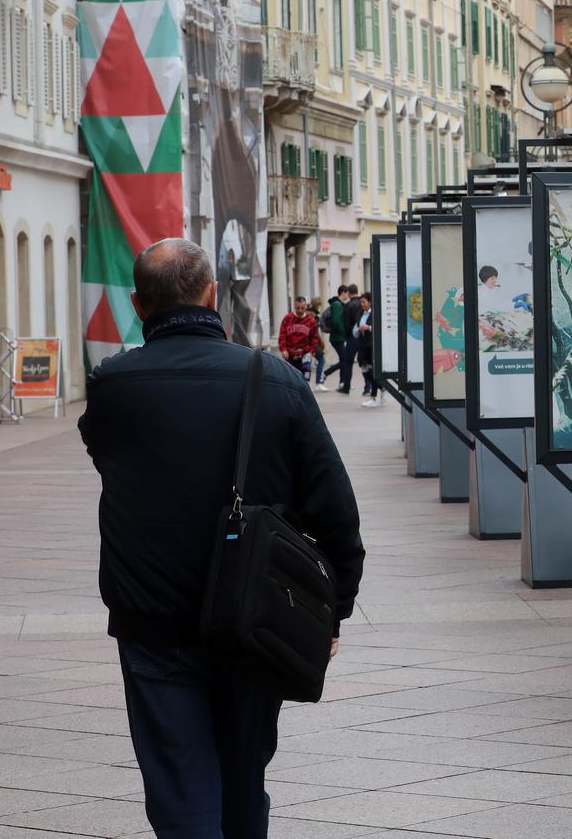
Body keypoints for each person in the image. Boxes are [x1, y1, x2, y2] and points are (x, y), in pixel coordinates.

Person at [78, 238, 365, 839]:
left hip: (152, 622)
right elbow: (336, 513)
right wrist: (332, 614)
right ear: (212, 295)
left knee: (180, 787)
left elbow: (102, 451)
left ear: (137, 304)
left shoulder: (112, 386)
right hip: (255, 620)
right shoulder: (275, 380)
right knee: (243, 777)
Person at [322, 285, 361, 394]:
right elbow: (337, 322)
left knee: (344, 360)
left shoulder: (342, 304)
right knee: (345, 360)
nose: (347, 296)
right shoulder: (337, 305)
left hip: (340, 337)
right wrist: (343, 334)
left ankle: (342, 382)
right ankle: (326, 373)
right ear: (343, 293)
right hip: (338, 337)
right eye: (346, 293)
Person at [277, 296, 316, 377]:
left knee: (305, 379)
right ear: (294, 307)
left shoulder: (311, 320)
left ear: (306, 307)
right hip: (290, 354)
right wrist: (283, 349)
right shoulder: (288, 318)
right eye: (298, 308)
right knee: (290, 378)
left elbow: (314, 338)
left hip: (305, 354)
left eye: (302, 308)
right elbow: (282, 335)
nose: (300, 310)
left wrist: (311, 351)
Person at [356, 291, 380, 407]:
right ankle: (382, 387)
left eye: (364, 302)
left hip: (371, 346)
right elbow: (356, 327)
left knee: (372, 370)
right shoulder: (360, 313)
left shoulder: (375, 313)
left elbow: (378, 327)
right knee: (365, 371)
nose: (362, 304)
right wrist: (357, 330)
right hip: (362, 346)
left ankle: (373, 396)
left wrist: (368, 327)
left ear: (370, 302)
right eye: (361, 302)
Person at [307, 297, 329, 391]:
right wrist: (321, 342)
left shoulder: (307, 313)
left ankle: (307, 383)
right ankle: (319, 383)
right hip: (312, 342)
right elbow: (314, 331)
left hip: (305, 341)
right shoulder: (314, 316)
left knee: (307, 363)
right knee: (321, 360)